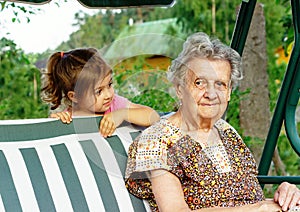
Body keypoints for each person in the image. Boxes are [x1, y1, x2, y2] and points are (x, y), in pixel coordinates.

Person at [125, 32, 300, 211]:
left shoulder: (226, 131)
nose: (211, 94)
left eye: (220, 84)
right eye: (199, 83)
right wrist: (257, 209)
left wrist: (284, 195)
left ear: (229, 92)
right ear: (179, 88)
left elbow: (249, 197)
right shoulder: (156, 140)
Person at [41, 47, 160, 137]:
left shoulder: (115, 105)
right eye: (99, 92)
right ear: (74, 96)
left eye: (109, 85)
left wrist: (123, 114)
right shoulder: (69, 118)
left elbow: (154, 117)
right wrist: (56, 123)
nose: (108, 95)